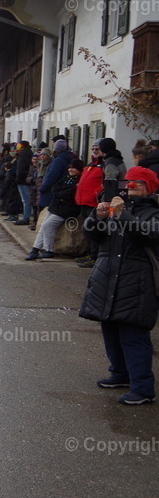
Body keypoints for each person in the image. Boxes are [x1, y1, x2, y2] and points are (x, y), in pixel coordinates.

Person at [79, 166, 159, 406]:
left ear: (149, 187)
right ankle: (120, 374)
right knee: (111, 329)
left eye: (138, 182)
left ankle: (143, 388)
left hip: (136, 281)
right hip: (109, 277)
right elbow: (93, 236)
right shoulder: (117, 208)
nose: (131, 186)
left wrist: (123, 214)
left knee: (133, 334)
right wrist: (98, 216)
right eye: (129, 181)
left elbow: (149, 235)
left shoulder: (153, 213)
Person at [25, 159, 83, 260]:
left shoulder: (79, 181)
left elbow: (69, 194)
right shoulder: (67, 178)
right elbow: (55, 188)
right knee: (44, 225)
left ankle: (49, 250)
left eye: (73, 168)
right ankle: (35, 249)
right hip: (56, 206)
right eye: (70, 167)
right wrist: (60, 193)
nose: (70, 169)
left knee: (48, 225)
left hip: (67, 208)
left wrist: (60, 193)